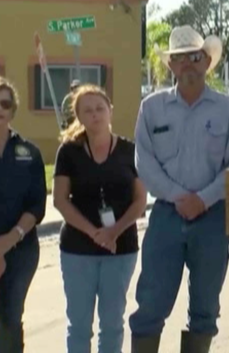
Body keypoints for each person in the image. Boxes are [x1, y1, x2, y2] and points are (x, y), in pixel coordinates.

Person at [129, 25, 229, 353]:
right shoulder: (151, 108)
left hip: (212, 218)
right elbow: (145, 162)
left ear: (207, 61)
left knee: (205, 309)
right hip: (166, 215)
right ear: (170, 66)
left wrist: (204, 199)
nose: (188, 65)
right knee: (150, 305)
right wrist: (180, 197)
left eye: (195, 58)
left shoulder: (228, 109)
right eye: (180, 59)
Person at [52, 84, 147, 353]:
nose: (95, 115)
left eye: (100, 108)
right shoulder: (68, 152)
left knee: (112, 323)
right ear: (79, 117)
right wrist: (96, 233)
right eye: (88, 110)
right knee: (79, 326)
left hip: (121, 247)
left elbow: (140, 200)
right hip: (77, 250)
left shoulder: (130, 151)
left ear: (110, 111)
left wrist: (114, 232)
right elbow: (60, 200)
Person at [0, 77, 46, 353]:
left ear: (12, 109)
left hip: (20, 249)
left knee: (10, 317)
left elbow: (37, 205)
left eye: (5, 103)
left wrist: (8, 241)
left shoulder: (28, 153)